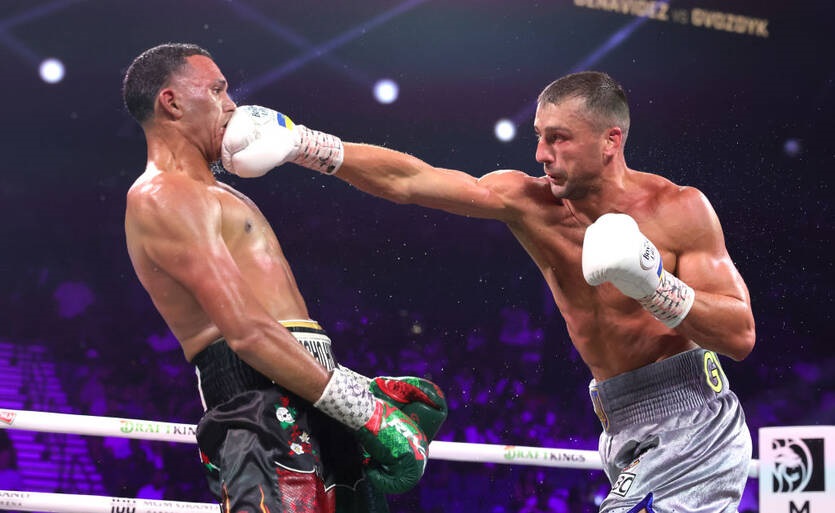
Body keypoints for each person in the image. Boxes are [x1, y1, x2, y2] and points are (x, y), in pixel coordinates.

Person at [219, 71, 756, 512]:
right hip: (619, 421)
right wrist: (304, 143)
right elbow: (412, 181)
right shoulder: (530, 204)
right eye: (539, 136)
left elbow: (740, 335)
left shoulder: (677, 210)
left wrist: (654, 285)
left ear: (610, 141)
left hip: (692, 419)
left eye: (559, 138)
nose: (542, 153)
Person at [121, 43, 447, 513]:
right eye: (216, 90)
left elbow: (282, 326)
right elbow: (247, 333)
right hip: (257, 411)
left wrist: (354, 387)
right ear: (171, 102)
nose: (231, 104)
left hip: (309, 388)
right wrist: (366, 413)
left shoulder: (220, 193)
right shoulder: (161, 196)